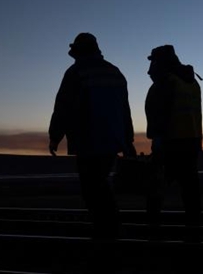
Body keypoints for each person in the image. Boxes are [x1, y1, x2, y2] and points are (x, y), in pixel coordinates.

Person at [49, 33, 137, 245]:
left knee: (92, 187)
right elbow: (125, 110)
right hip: (113, 140)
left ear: (78, 52)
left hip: (87, 138)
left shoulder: (76, 72)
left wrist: (55, 137)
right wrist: (128, 140)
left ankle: (107, 231)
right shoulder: (115, 73)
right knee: (100, 183)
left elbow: (63, 107)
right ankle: (109, 229)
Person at [144, 45, 203, 241]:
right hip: (191, 144)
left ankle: (153, 232)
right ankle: (194, 232)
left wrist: (158, 142)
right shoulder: (191, 82)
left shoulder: (167, 83)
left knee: (155, 188)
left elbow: (159, 115)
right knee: (190, 191)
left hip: (170, 145)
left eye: (154, 62)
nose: (151, 68)